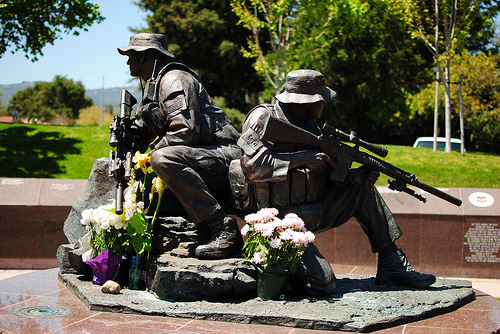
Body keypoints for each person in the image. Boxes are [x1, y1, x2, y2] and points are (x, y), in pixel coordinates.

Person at [237, 69, 436, 293]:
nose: (325, 105)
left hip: (311, 211)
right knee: (323, 284)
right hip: (278, 223)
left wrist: (353, 176)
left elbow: (320, 178)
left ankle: (391, 263)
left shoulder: (311, 126)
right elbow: (252, 168)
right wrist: (302, 158)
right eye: (322, 100)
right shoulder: (264, 118)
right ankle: (282, 271)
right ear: (308, 102)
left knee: (361, 189)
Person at [118, 33, 243, 260]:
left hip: (225, 152)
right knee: (144, 173)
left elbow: (185, 131)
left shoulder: (174, 80)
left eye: (131, 56)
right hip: (201, 153)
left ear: (144, 56)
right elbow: (149, 130)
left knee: (163, 159)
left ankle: (222, 227)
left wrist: (151, 154)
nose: (128, 62)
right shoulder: (152, 87)